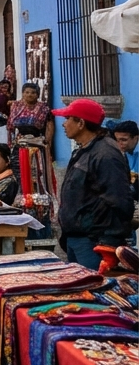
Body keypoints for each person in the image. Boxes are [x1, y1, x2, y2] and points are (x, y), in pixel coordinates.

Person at [54, 98, 133, 269]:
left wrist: (108, 243)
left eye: (68, 118)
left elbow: (119, 200)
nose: (64, 124)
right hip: (77, 238)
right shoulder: (83, 150)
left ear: (81, 123)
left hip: (93, 243)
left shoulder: (105, 154)